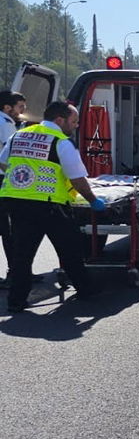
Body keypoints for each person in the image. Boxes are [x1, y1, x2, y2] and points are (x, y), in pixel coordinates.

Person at [0, 102, 107, 312]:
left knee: (22, 254)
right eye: (74, 122)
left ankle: (16, 301)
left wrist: (25, 177)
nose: (76, 126)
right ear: (60, 120)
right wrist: (93, 200)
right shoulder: (61, 142)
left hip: (15, 199)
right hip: (48, 203)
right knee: (70, 248)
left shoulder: (19, 135)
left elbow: (4, 162)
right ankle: (85, 290)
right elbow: (77, 178)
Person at [0, 91, 26, 289]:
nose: (23, 111)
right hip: (3, 181)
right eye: (20, 107)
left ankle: (17, 271)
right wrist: (16, 175)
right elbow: (5, 157)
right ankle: (16, 273)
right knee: (9, 230)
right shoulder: (5, 123)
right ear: (7, 108)